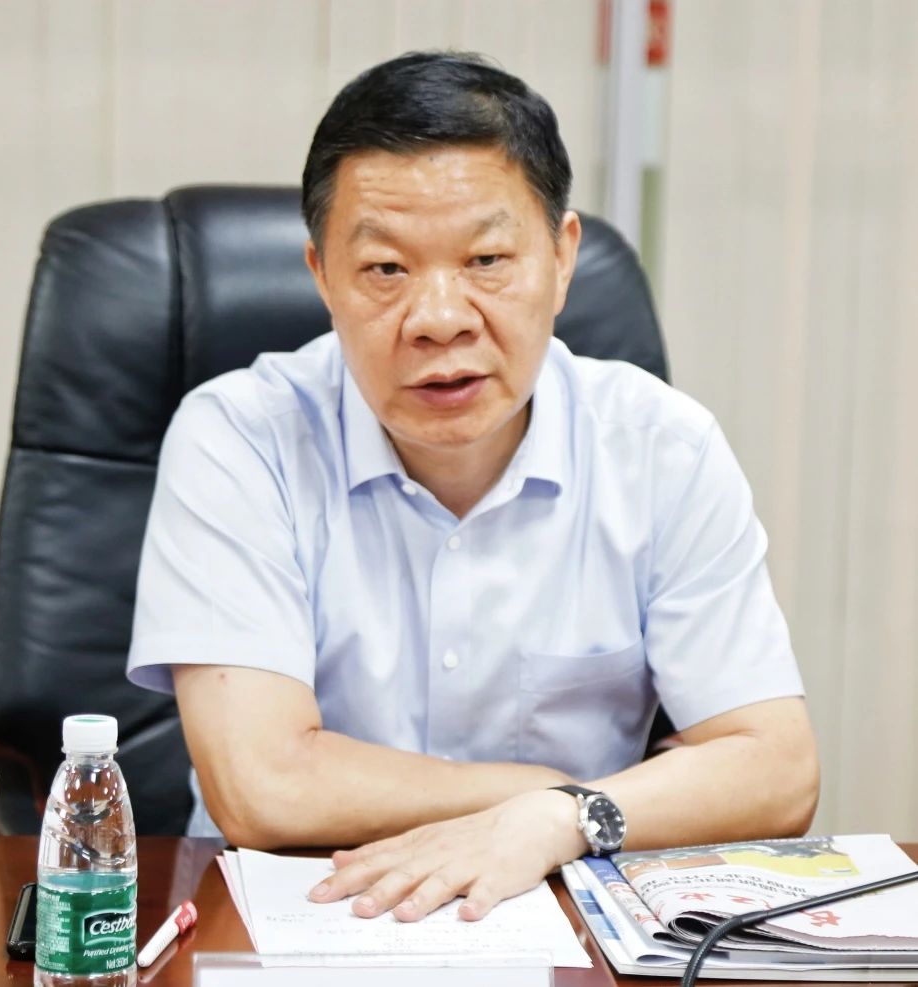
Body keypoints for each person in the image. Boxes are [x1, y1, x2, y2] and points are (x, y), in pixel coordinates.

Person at [127, 51, 818, 923]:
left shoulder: (662, 449)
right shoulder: (239, 437)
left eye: (487, 258)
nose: (440, 318)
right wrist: (553, 794)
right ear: (321, 276)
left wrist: (556, 822)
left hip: (563, 917)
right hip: (287, 911)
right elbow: (264, 786)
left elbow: (777, 768)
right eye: (386, 270)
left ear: (561, 258)